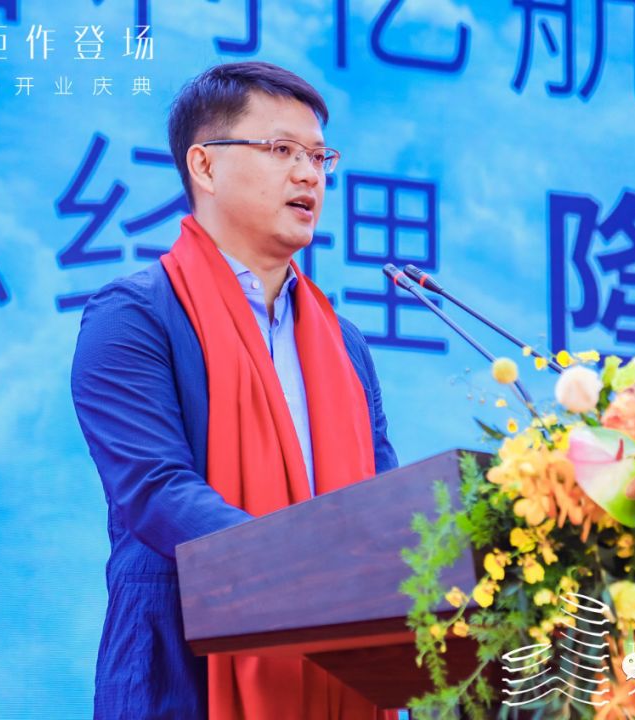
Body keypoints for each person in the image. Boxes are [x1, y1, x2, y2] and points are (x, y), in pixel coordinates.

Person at [71, 61, 398, 719]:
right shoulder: (134, 316)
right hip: (183, 680)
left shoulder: (345, 345)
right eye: (281, 150)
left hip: (342, 680)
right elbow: (157, 491)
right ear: (205, 165)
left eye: (319, 157)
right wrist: (319, 573)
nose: (309, 175)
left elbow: (385, 504)